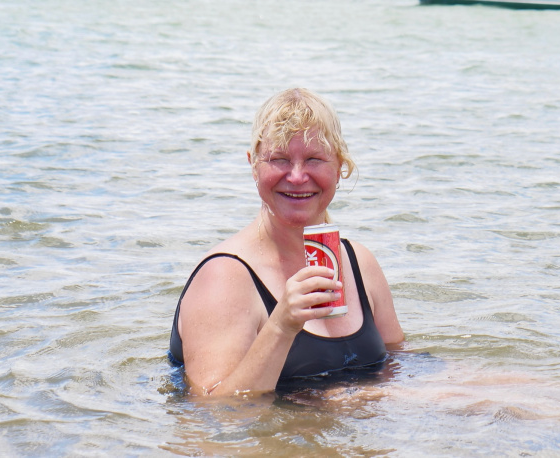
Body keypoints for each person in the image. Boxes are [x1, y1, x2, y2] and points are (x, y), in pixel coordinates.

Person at [168, 88, 404, 395]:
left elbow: (401, 366)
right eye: (279, 159)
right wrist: (281, 325)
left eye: (314, 159)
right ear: (253, 165)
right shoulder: (223, 278)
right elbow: (215, 413)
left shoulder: (359, 262)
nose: (296, 177)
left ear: (339, 167)